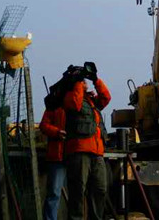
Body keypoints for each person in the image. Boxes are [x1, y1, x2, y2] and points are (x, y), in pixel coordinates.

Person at [62, 62, 111, 220]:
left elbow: (106, 98)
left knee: (100, 190)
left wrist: (96, 80)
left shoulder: (91, 101)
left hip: (97, 153)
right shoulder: (69, 96)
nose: (85, 82)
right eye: (83, 80)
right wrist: (76, 81)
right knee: (77, 192)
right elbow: (75, 105)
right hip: (79, 152)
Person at [39, 92, 68, 220]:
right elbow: (43, 126)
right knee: (54, 193)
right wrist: (57, 132)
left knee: (56, 194)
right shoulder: (54, 103)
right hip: (58, 156)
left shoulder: (84, 100)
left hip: (73, 155)